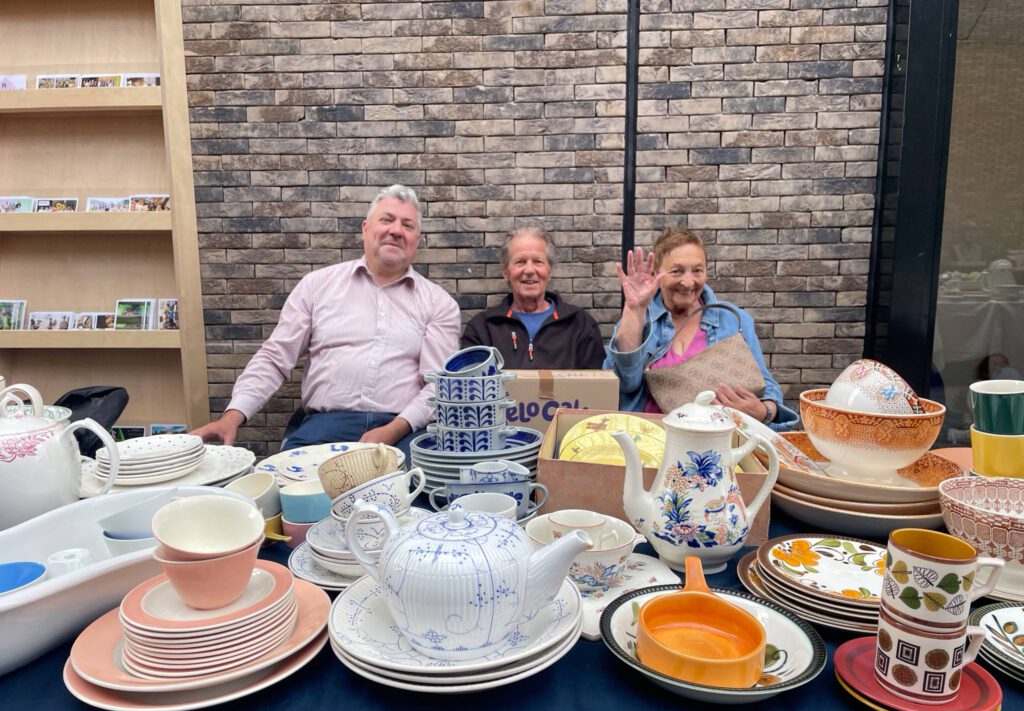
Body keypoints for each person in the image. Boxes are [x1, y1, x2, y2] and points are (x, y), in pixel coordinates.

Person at [193, 184, 461, 456]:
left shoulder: (439, 304)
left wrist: (395, 428)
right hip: (324, 426)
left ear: (417, 240)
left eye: (407, 225)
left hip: (403, 430)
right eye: (386, 220)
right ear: (365, 229)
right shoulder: (317, 286)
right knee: (287, 480)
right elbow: (275, 358)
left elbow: (439, 386)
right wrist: (232, 416)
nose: (396, 230)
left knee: (418, 481)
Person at [603, 227, 798, 430]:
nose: (688, 282)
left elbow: (766, 385)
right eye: (677, 271)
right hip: (650, 437)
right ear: (655, 274)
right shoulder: (638, 320)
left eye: (697, 270)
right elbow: (624, 383)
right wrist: (634, 311)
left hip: (718, 440)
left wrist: (765, 411)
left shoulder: (734, 320)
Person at [460, 227, 605, 368]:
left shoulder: (580, 325)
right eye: (520, 262)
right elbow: (470, 380)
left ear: (549, 271)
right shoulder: (482, 328)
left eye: (538, 261)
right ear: (506, 273)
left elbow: (597, 382)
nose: (529, 270)